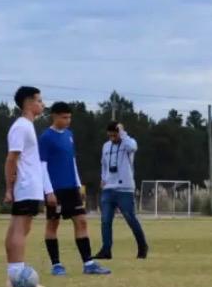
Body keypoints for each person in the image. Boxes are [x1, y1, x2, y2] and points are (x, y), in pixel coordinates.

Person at [39, 102, 110, 276]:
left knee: (81, 221)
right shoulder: (46, 137)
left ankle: (89, 263)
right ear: (54, 116)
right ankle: (56, 264)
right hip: (55, 189)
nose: (68, 120)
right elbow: (41, 165)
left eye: (70, 117)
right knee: (53, 224)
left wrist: (78, 185)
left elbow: (72, 162)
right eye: (64, 117)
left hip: (71, 188)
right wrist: (49, 191)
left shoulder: (69, 135)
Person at [4, 86, 55, 286]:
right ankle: (16, 274)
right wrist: (9, 187)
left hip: (29, 185)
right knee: (20, 227)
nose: (42, 104)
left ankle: (12, 275)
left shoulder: (28, 126)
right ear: (28, 102)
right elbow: (11, 158)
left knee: (20, 227)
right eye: (39, 100)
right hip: (25, 185)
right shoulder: (21, 126)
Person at [97, 121, 149, 260]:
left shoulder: (128, 143)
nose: (113, 138)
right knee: (105, 220)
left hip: (125, 188)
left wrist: (123, 133)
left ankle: (142, 246)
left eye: (115, 135)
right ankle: (106, 250)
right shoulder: (106, 146)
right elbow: (103, 164)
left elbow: (133, 147)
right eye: (110, 136)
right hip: (109, 188)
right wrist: (103, 178)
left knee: (130, 218)